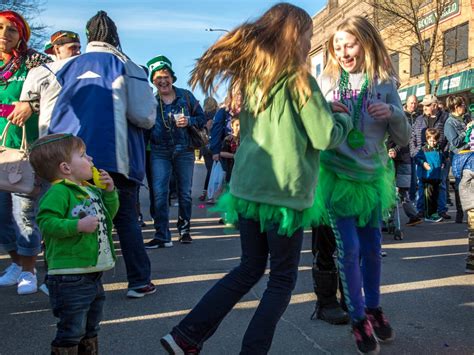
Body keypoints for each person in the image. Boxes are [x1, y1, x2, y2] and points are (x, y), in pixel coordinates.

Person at [159, 4, 352, 354]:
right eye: (308, 36)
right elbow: (323, 136)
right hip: (283, 194)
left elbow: (247, 133)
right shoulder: (299, 79)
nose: (310, 43)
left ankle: (186, 334)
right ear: (294, 37)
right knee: (281, 279)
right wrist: (343, 119)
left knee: (248, 268)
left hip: (248, 190)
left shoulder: (253, 82)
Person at [15, 11, 157, 298]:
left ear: (89, 35)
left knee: (66, 216)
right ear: (115, 35)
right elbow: (144, 117)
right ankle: (139, 281)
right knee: (125, 218)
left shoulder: (57, 67)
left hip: (65, 160)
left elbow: (32, 92)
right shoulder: (129, 66)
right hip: (116, 157)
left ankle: (55, 279)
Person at [312, 16, 410, 354]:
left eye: (349, 44)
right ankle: (357, 319)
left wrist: (393, 114)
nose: (343, 52)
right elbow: (314, 133)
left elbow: (403, 137)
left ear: (366, 42)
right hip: (337, 178)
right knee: (349, 249)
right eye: (337, 46)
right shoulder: (325, 82)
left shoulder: (384, 83)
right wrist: (323, 111)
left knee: (372, 250)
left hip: (372, 180)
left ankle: (374, 308)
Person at [30, 133, 118, 354]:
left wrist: (109, 193)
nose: (90, 159)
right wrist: (77, 226)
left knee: (91, 326)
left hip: (92, 272)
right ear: (66, 168)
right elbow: (47, 222)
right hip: (69, 276)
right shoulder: (59, 192)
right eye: (83, 155)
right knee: (71, 330)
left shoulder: (88, 189)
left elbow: (107, 216)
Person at [0, 10, 52, 295]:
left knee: (24, 214)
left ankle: (30, 270)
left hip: (25, 151)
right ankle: (17, 263)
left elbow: (56, 98)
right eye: (0, 28)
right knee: (1, 217)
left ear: (21, 35)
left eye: (11, 30)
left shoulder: (37, 65)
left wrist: (32, 105)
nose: (4, 34)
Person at [144, 55, 205, 248]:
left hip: (184, 150)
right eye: (158, 78)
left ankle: (184, 230)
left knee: (184, 193)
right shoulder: (151, 102)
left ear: (172, 77)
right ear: (153, 81)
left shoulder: (185, 96)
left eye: (166, 76)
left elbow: (202, 118)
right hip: (159, 151)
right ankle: (162, 234)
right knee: (160, 193)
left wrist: (190, 121)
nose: (163, 80)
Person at [410, 94, 450, 220]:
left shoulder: (445, 118)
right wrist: (415, 153)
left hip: (439, 157)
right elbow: (412, 138)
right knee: (421, 184)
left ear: (435, 105)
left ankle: (441, 210)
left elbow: (448, 138)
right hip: (422, 157)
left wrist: (445, 154)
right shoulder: (419, 120)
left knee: (441, 184)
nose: (425, 108)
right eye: (424, 106)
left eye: (427, 105)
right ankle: (421, 210)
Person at [444, 95, 473, 223]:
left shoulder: (467, 117)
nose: (464, 107)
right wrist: (466, 131)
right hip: (460, 155)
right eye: (462, 105)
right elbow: (454, 142)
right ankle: (460, 212)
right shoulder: (449, 122)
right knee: (460, 185)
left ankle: (471, 213)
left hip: (471, 153)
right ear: (455, 107)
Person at [415, 128, 445, 222]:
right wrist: (423, 163)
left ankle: (434, 213)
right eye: (431, 140)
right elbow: (417, 159)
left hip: (436, 177)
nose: (433, 143)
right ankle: (428, 215)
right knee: (428, 198)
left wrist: (444, 161)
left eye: (435, 141)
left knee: (435, 197)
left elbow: (442, 158)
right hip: (427, 178)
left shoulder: (439, 149)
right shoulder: (423, 150)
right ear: (427, 139)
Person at [199, 96, 219, 201]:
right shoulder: (218, 114)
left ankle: (205, 192)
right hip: (215, 145)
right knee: (215, 171)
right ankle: (211, 194)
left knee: (210, 170)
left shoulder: (202, 115)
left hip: (205, 145)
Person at [404, 95, 420, 201]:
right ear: (406, 103)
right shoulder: (401, 115)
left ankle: (413, 203)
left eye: (415, 103)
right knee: (404, 181)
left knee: (414, 180)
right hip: (403, 152)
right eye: (411, 103)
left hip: (415, 152)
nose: (413, 105)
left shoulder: (418, 116)